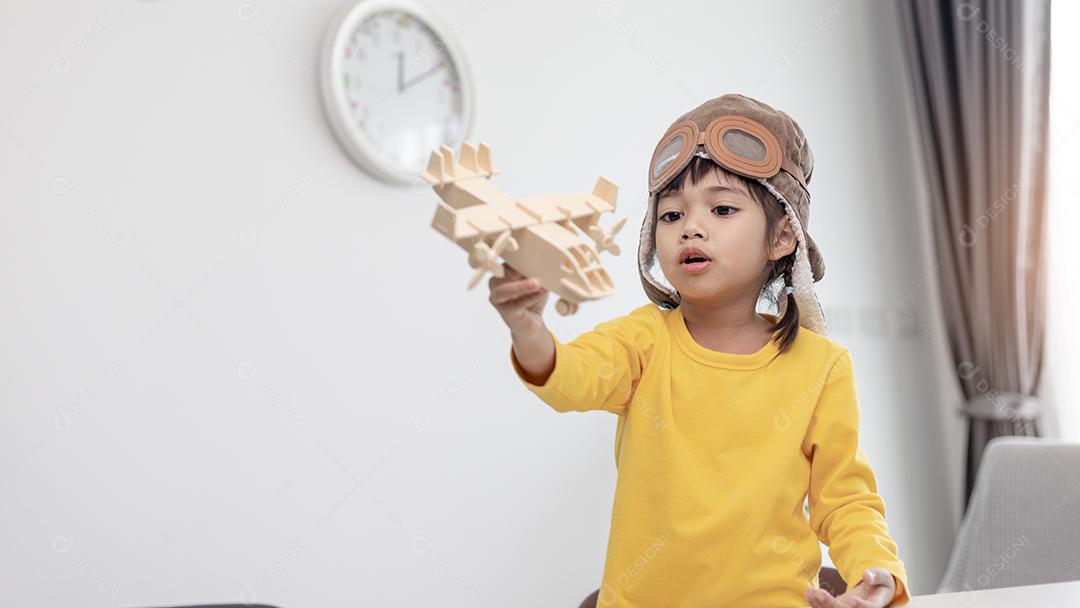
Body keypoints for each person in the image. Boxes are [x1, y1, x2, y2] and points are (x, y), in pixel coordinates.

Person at [489, 93, 909, 607]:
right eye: (670, 215)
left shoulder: (822, 367)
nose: (690, 226)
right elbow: (569, 378)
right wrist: (528, 328)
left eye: (723, 208)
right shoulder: (643, 341)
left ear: (782, 237)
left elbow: (847, 501)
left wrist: (874, 571)